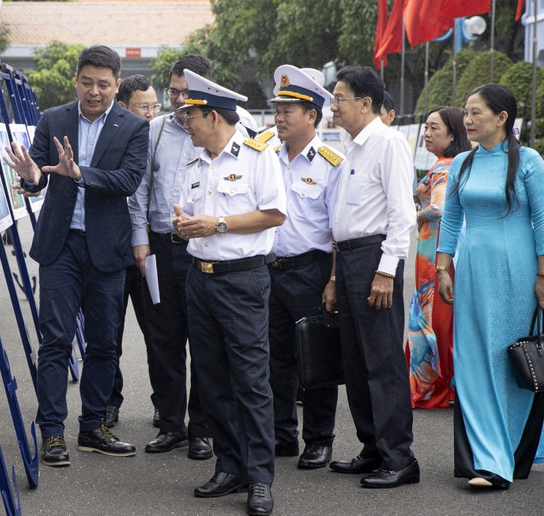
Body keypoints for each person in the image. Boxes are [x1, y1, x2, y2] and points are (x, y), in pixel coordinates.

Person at [3, 44, 148, 467]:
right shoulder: (53, 119)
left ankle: (92, 428)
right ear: (76, 80)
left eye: (104, 84)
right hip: (61, 245)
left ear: (117, 86)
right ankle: (51, 432)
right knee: (55, 341)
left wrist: (81, 173)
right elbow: (38, 174)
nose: (95, 91)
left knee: (105, 345)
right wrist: (31, 178)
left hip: (107, 250)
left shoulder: (133, 127)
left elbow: (127, 180)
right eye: (87, 82)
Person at [173, 69, 286, 516]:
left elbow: (275, 214)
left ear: (214, 116)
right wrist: (183, 225)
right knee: (211, 377)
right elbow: (182, 217)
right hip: (199, 278)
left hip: (242, 279)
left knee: (251, 381)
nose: (187, 125)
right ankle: (231, 463)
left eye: (191, 117)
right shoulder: (195, 162)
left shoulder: (259, 155)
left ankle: (260, 477)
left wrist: (217, 225)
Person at [436, 83, 544, 489]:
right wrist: (443, 267)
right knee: (471, 357)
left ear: (502, 118)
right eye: (465, 112)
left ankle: (502, 459)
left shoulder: (529, 161)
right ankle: (486, 455)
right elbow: (449, 219)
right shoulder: (462, 162)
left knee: (506, 355)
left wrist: (542, 276)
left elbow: (543, 221)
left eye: (476, 112)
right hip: (471, 269)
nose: (467, 119)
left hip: (516, 269)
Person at [328, 65, 419, 488]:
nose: (333, 106)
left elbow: (402, 215)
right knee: (356, 359)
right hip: (348, 260)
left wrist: (386, 271)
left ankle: (399, 457)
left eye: (339, 98)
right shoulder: (352, 148)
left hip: (373, 260)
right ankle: (373, 447)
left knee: (382, 360)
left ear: (366, 103)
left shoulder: (388, 143)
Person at [128, 55, 213, 460]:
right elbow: (139, 188)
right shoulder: (156, 131)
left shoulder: (221, 129)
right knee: (163, 337)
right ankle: (170, 424)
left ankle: (201, 428)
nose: (178, 99)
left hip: (203, 251)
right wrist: (140, 241)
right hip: (160, 248)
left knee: (203, 340)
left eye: (186, 92)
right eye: (173, 91)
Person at [266, 64, 342, 469]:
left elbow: (337, 232)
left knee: (317, 358)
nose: (278, 118)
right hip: (268, 269)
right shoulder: (263, 154)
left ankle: (319, 439)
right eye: (277, 110)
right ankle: (281, 434)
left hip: (311, 271)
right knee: (276, 357)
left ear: (311, 115)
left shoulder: (331, 163)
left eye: (287, 111)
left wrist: (332, 280)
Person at [104, 74, 161, 429]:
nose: (152, 114)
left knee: (159, 332)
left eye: (156, 106)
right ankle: (109, 402)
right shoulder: (105, 140)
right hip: (110, 251)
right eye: (144, 107)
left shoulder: (163, 140)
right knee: (108, 334)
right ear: (123, 107)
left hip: (152, 253)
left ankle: (164, 403)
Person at [406, 106, 470, 409]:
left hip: (436, 252)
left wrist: (416, 214)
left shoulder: (446, 165)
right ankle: (440, 385)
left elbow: (440, 207)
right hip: (432, 250)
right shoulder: (449, 163)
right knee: (434, 317)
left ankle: (433, 387)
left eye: (435, 128)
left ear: (452, 134)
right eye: (426, 128)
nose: (427, 134)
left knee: (433, 318)